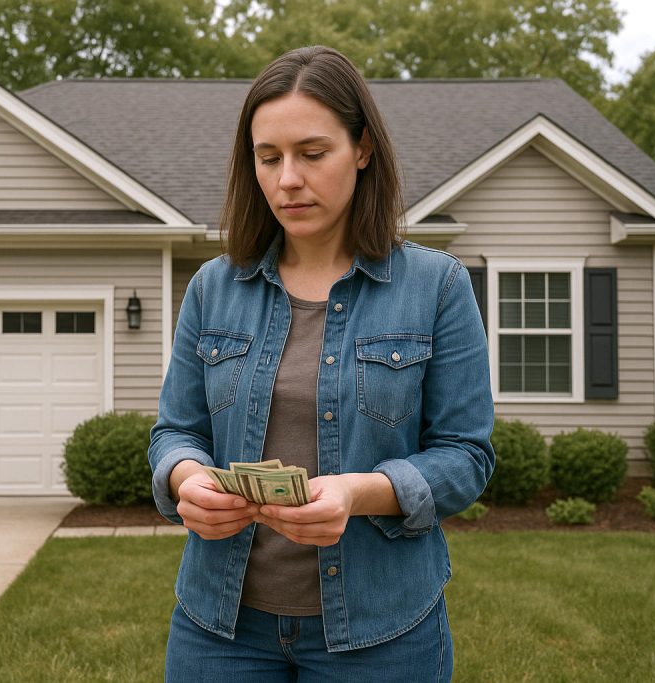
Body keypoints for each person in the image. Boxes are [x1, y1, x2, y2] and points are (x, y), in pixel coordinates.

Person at [148, 45, 494, 682]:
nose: (287, 179)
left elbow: (464, 456)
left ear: (362, 149)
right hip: (219, 628)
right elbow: (176, 432)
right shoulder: (211, 288)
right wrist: (185, 479)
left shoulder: (436, 286)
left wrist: (357, 494)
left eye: (312, 154)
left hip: (380, 629)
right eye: (268, 157)